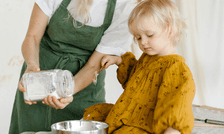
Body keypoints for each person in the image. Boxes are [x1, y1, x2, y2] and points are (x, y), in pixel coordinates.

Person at [9, 0, 136, 133]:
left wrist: (66, 92)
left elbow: (93, 66)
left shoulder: (125, 9)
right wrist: (32, 66)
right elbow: (32, 37)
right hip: (40, 79)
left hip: (84, 90)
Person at [83, 0, 196, 134]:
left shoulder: (175, 68)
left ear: (169, 30)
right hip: (132, 116)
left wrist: (172, 131)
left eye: (149, 35)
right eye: (138, 38)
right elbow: (136, 83)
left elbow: (177, 104)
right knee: (93, 116)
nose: (143, 42)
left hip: (145, 126)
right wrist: (118, 60)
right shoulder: (148, 57)